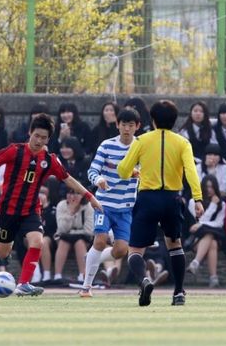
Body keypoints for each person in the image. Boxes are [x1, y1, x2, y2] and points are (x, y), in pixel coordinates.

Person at [0, 113, 102, 296]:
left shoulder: (49, 160)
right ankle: (6, 257)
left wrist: (91, 197)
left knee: (37, 240)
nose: (39, 140)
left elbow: (68, 179)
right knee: (2, 252)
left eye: (44, 137)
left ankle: (23, 284)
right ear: (30, 132)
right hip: (8, 210)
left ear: (49, 139)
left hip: (30, 209)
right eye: (36, 136)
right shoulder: (14, 150)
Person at [117, 100, 203, 307]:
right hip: (172, 198)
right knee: (175, 246)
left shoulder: (141, 141)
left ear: (152, 120)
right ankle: (179, 292)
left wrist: (134, 171)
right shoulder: (183, 143)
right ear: (175, 121)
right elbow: (191, 172)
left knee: (135, 250)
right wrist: (198, 198)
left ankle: (144, 280)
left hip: (147, 198)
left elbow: (123, 170)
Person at [80, 108, 140, 297]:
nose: (127, 129)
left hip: (126, 207)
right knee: (100, 240)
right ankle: (86, 287)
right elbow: (92, 171)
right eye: (123, 124)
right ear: (117, 125)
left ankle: (92, 258)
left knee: (121, 249)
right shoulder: (106, 145)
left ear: (137, 126)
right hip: (104, 203)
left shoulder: (141, 147)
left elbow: (148, 172)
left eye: (131, 125)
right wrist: (98, 180)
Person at [187, 175, 226, 288]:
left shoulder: (222, 204)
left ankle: (196, 263)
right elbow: (200, 220)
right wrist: (211, 208)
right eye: (207, 187)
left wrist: (214, 205)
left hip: (215, 238)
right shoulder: (193, 202)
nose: (209, 189)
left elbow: (219, 224)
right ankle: (213, 278)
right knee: (210, 238)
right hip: (196, 240)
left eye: (212, 187)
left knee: (211, 238)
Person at [53, 188, 94, 282]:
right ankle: (57, 275)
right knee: (64, 241)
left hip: (83, 238)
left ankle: (82, 275)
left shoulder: (88, 206)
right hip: (64, 237)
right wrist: (71, 212)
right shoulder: (61, 205)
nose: (73, 196)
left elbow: (88, 230)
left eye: (77, 193)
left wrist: (73, 233)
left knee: (79, 242)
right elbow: (62, 229)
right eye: (70, 193)